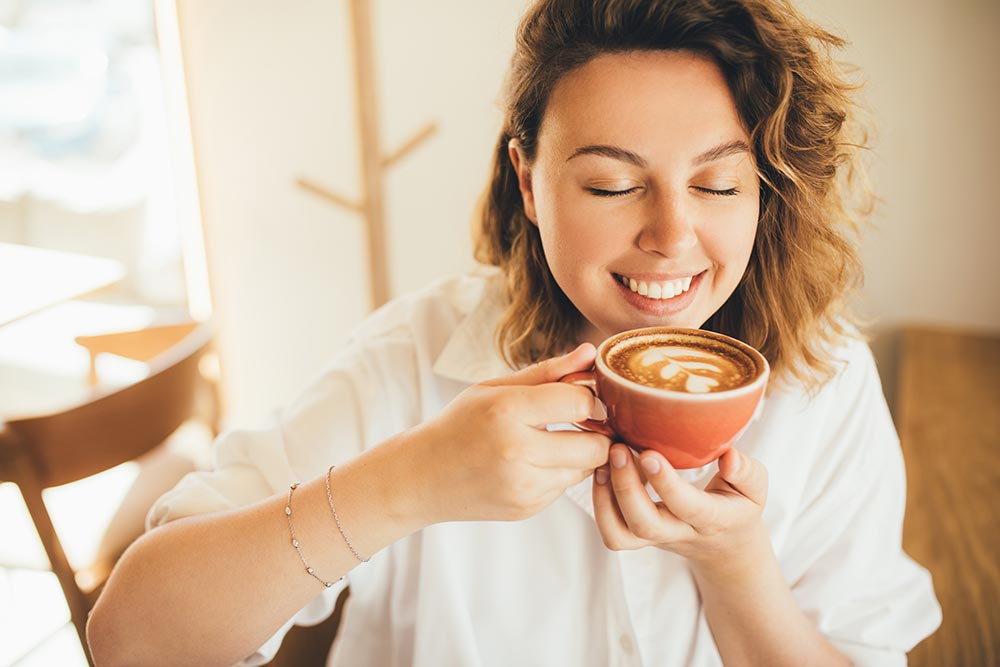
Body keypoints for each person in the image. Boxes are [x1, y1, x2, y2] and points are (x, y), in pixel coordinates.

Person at [86, 0, 942, 665]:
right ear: (528, 182)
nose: (672, 235)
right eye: (612, 185)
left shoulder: (825, 384)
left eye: (718, 186)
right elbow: (131, 639)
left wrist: (736, 564)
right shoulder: (414, 360)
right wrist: (411, 481)